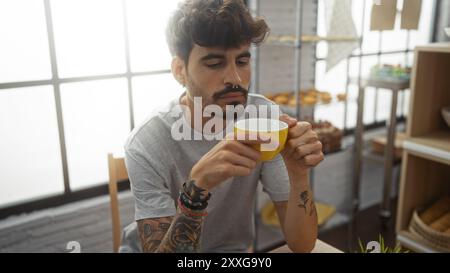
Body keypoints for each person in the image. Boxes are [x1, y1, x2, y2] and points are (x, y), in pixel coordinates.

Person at [123, 0, 324, 253]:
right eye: (215, 64)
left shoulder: (265, 119)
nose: (235, 79)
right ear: (179, 70)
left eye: (242, 61)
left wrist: (298, 174)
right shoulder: (147, 142)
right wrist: (197, 187)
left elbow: (302, 245)